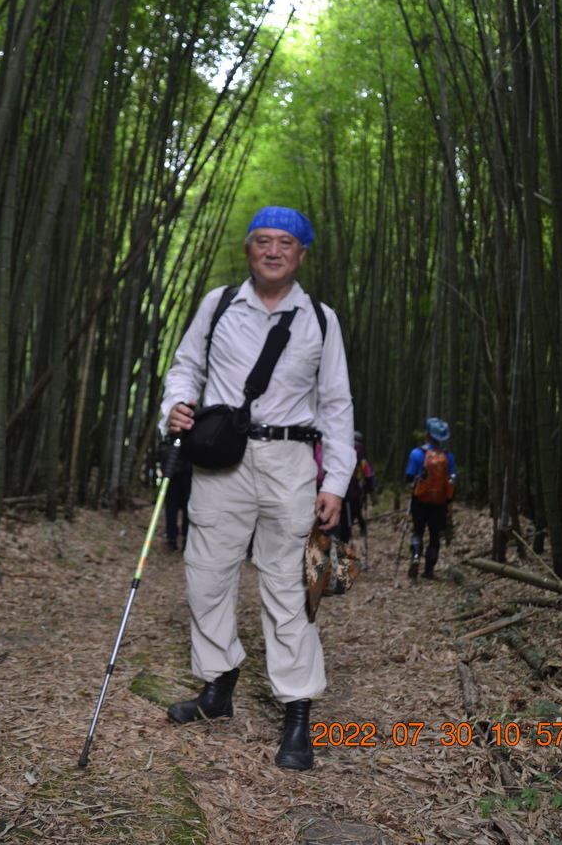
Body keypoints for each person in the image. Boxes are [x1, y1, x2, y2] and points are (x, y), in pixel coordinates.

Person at [159, 205, 356, 771]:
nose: (274, 251)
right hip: (222, 458)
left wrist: (336, 481)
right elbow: (184, 366)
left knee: (289, 587)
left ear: (302, 253)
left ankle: (297, 712)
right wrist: (175, 404)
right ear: (248, 248)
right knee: (206, 575)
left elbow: (337, 405)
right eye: (263, 241)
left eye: (286, 244)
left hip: (292, 462)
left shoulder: (321, 318)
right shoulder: (218, 304)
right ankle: (218, 687)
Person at [405, 418, 456, 579]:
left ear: (427, 435)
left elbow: (409, 477)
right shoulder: (449, 457)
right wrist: (449, 502)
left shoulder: (417, 453)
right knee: (434, 537)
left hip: (419, 499)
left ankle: (415, 557)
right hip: (440, 502)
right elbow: (452, 481)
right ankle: (428, 572)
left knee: (418, 531)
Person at [338, 430, 374, 543]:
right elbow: (368, 476)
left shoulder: (342, 454)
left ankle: (339, 538)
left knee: (342, 516)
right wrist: (368, 490)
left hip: (341, 491)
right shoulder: (362, 461)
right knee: (356, 513)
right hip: (357, 493)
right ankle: (348, 537)